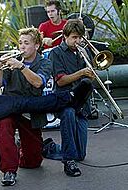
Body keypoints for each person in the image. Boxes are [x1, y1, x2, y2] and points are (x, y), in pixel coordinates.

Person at [0, 27, 51, 186]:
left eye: (26, 43)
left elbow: (38, 82)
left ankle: (18, 148)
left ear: (37, 46)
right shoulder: (13, 61)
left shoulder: (45, 62)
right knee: (3, 126)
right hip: (10, 106)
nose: (22, 47)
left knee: (33, 162)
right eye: (20, 43)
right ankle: (8, 171)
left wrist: (22, 67)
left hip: (31, 110)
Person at [48, 19, 95, 177]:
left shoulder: (84, 51)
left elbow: (89, 80)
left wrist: (90, 74)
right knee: (68, 114)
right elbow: (61, 80)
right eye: (74, 37)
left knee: (80, 155)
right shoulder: (56, 53)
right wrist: (82, 73)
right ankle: (68, 162)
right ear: (65, 36)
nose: (78, 41)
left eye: (80, 37)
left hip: (81, 103)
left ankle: (48, 147)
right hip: (64, 100)